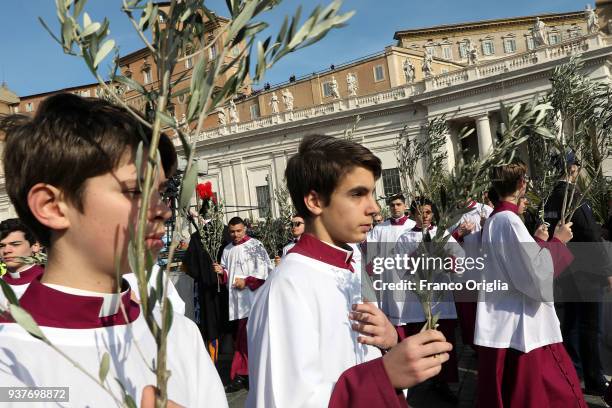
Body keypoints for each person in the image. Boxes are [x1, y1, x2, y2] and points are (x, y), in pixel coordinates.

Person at [0, 93, 227, 407]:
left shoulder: (177, 336)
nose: (162, 209)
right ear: (52, 206)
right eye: (136, 190)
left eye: (161, 191)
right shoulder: (10, 362)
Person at [247, 134, 453, 408]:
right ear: (315, 201)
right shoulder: (287, 287)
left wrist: (390, 342)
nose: (374, 208)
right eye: (357, 194)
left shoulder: (350, 263)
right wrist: (384, 375)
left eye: (372, 193)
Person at [474, 160, 586, 407]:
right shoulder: (508, 221)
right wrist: (558, 242)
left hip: (506, 321)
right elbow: (533, 276)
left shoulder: (496, 220)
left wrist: (540, 242)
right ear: (522, 184)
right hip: (523, 325)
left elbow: (518, 265)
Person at [544, 152, 612, 396]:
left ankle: (573, 373)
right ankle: (594, 379)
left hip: (565, 269)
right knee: (590, 327)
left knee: (572, 324)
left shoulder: (551, 196)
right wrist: (607, 271)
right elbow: (590, 235)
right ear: (572, 168)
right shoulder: (572, 195)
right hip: (586, 271)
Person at [391, 197, 464, 404]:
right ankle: (421, 380)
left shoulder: (442, 235)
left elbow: (461, 259)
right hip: (417, 300)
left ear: (433, 214)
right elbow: (398, 266)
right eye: (420, 212)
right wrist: (415, 257)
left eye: (428, 212)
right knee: (421, 342)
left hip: (441, 299)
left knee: (443, 341)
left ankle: (444, 382)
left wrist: (453, 263)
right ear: (413, 214)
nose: (424, 216)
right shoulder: (405, 239)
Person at [214, 217, 272, 392]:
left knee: (248, 338)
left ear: (245, 229)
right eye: (232, 231)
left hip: (253, 299)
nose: (236, 234)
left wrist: (247, 281)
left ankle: (244, 374)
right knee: (241, 338)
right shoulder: (227, 249)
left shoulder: (255, 245)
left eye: (239, 231)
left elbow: (266, 271)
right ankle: (244, 375)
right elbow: (226, 273)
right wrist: (221, 272)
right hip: (237, 302)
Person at [0, 218, 43, 299]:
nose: (6, 251)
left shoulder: (51, 282)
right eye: (1, 246)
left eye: (15, 244)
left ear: (35, 246)